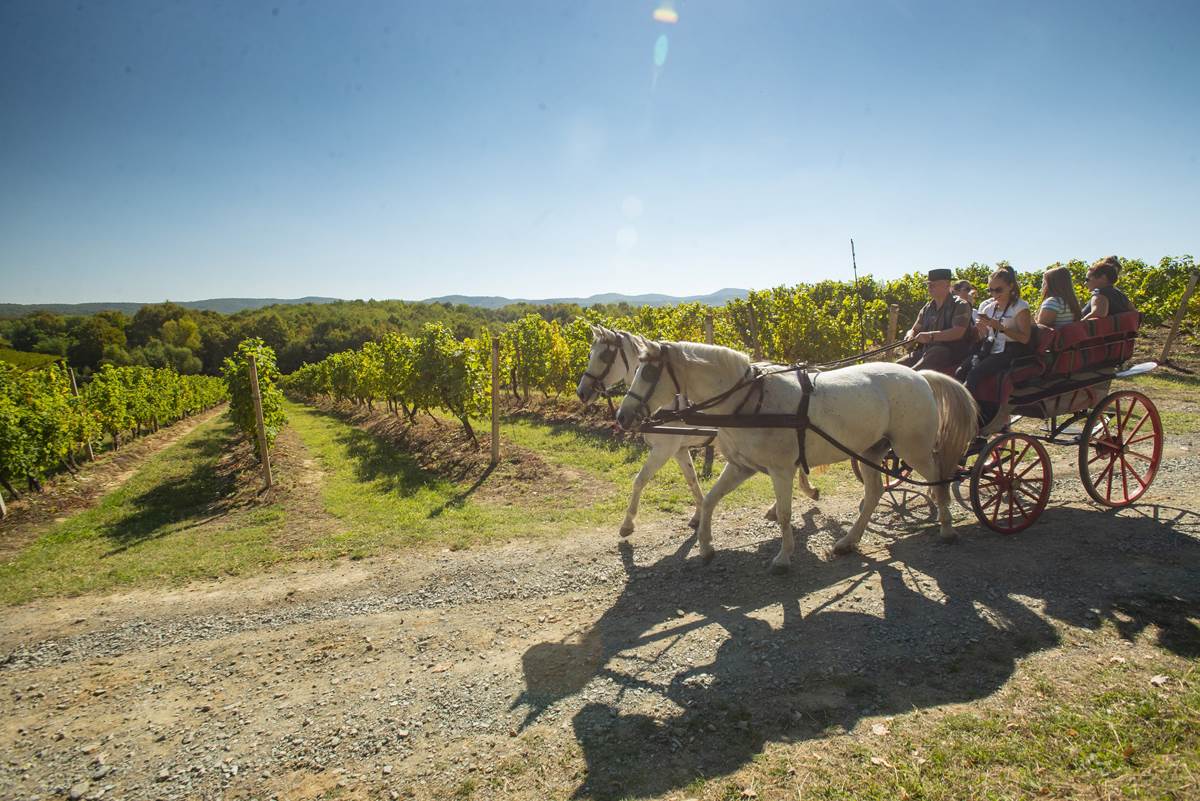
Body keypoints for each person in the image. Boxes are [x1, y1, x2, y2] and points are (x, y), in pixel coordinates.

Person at [959, 267, 1033, 428]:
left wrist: (1001, 328)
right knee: (961, 370)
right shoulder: (988, 308)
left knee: (975, 374)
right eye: (990, 290)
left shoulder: (1020, 307)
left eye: (998, 290)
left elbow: (1025, 338)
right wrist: (979, 330)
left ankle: (964, 415)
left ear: (1011, 286)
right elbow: (983, 336)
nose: (994, 294)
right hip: (990, 346)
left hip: (1012, 350)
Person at [897, 268, 972, 372]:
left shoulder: (960, 305)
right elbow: (915, 329)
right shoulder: (927, 308)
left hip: (950, 353)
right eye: (928, 284)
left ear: (946, 285)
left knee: (915, 371)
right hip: (926, 352)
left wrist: (930, 336)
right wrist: (910, 336)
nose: (929, 287)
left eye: (933, 284)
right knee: (896, 367)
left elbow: (958, 332)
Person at [1080, 255, 1134, 320]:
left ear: (1103, 278)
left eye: (1087, 279)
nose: (1085, 283)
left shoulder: (1100, 293)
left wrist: (1078, 324)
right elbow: (1134, 313)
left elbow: (1099, 313)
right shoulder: (1121, 296)